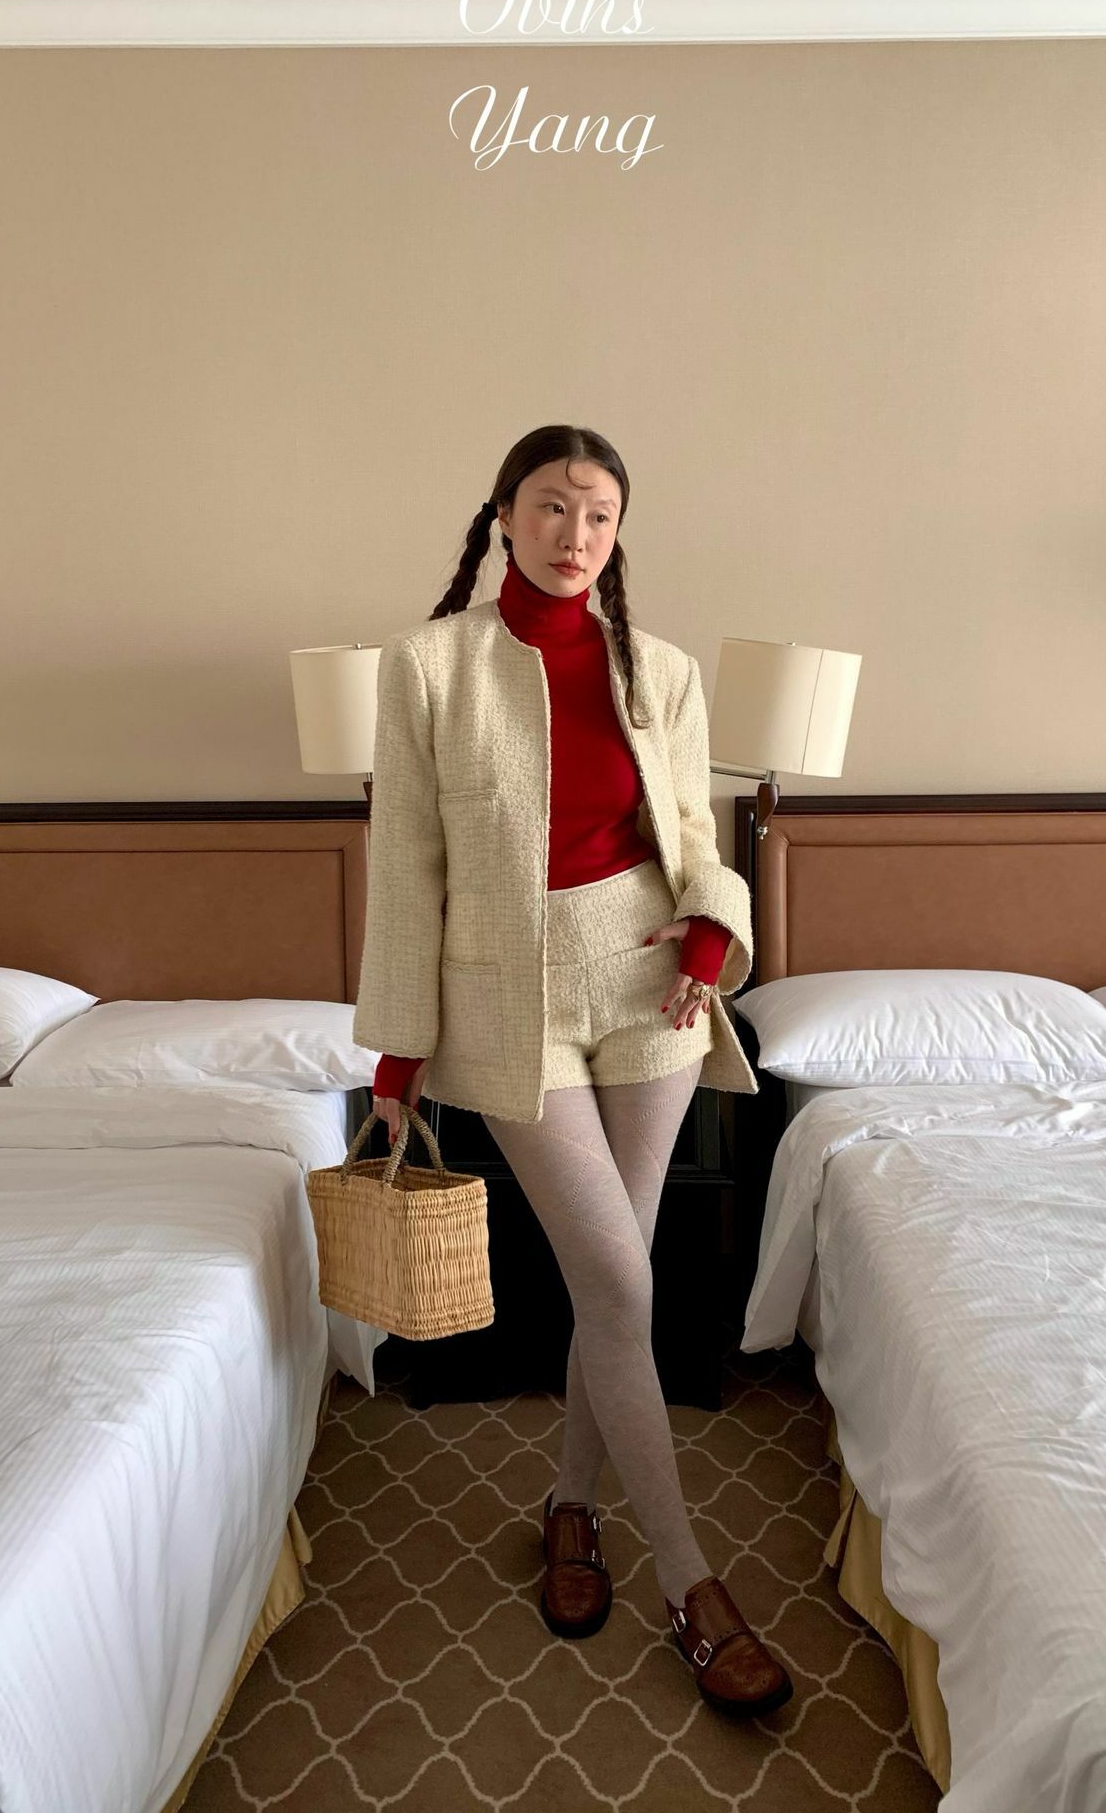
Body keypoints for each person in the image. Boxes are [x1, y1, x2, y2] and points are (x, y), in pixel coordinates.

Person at [363, 423, 792, 1718]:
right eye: (553, 506)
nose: (576, 534)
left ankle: (568, 1506)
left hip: (653, 983)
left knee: (620, 1285)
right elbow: (407, 865)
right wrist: (398, 1047)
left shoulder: (660, 667)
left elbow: (695, 833)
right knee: (615, 1279)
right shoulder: (429, 664)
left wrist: (714, 928)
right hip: (511, 997)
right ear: (504, 514)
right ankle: (692, 1582)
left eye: (599, 513)